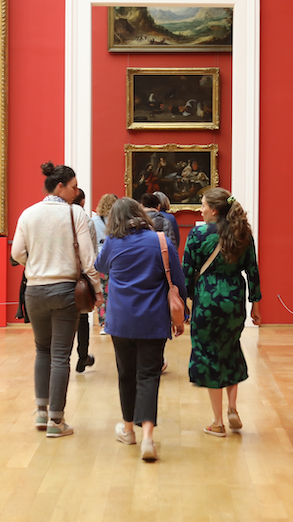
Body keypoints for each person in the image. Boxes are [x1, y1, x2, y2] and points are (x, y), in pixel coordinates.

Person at [10, 162, 102, 439]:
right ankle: (56, 421)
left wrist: (37, 264)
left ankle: (40, 412)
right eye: (73, 187)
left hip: (35, 291)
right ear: (60, 186)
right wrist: (97, 290)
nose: (76, 192)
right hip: (65, 290)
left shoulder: (28, 213)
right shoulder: (76, 214)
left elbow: (17, 253)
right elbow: (88, 259)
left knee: (42, 350)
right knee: (61, 355)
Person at [95, 197, 187, 462]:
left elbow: (100, 267)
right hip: (153, 320)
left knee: (126, 374)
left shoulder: (113, 242)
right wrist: (182, 318)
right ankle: (148, 436)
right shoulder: (160, 241)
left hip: (121, 320)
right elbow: (177, 282)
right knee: (148, 375)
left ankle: (127, 430)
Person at [181, 187, 261, 438]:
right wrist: (255, 304)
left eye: (203, 205)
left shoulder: (198, 234)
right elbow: (253, 271)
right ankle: (233, 408)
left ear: (214, 210)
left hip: (207, 300)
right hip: (234, 299)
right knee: (230, 349)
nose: (200, 209)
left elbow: (187, 272)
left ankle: (217, 422)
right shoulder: (243, 233)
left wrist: (184, 303)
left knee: (208, 356)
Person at [72, 188, 96, 374]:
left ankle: (63, 358)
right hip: (81, 275)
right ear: (83, 202)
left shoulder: (59, 218)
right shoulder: (87, 221)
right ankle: (82, 356)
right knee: (82, 318)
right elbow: (91, 252)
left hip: (62, 274)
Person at [92, 193, 118, 333]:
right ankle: (117, 321)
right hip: (116, 260)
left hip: (101, 260)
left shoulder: (95, 220)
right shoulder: (119, 220)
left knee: (102, 292)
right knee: (117, 291)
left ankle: (104, 324)